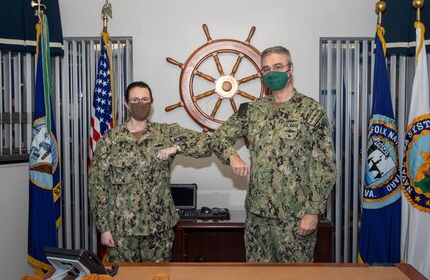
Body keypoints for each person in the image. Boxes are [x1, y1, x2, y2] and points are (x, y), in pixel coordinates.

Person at [211, 46, 336, 263]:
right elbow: (218, 138)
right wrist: (232, 155)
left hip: (295, 218)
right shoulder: (251, 110)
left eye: (278, 67)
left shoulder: (311, 111)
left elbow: (325, 166)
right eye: (266, 69)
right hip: (258, 217)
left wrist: (313, 212)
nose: (272, 73)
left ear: (290, 69)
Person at [89, 81, 211, 262]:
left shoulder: (166, 133)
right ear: (126, 104)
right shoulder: (110, 140)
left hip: (158, 229)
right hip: (122, 231)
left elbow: (207, 145)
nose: (141, 104)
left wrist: (176, 147)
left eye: (145, 99)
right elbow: (98, 187)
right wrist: (104, 229)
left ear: (152, 103)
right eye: (135, 100)